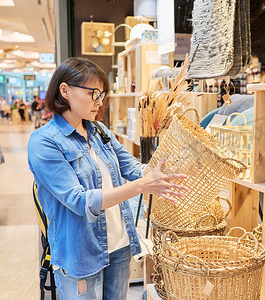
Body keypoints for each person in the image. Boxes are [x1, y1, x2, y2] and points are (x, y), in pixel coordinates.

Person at [27, 57, 188, 300]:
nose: (99, 102)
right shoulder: (45, 142)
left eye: (101, 94)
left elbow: (133, 168)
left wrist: (161, 173)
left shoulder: (99, 130)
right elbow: (80, 201)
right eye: (93, 93)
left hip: (119, 245)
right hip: (80, 254)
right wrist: (142, 185)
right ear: (65, 90)